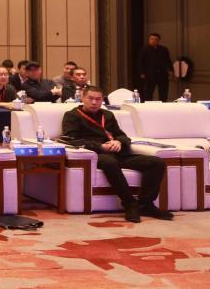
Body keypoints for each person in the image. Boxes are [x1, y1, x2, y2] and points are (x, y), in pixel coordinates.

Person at [60, 85, 173, 223]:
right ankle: (129, 204)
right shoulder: (72, 116)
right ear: (82, 98)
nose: (94, 102)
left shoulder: (107, 115)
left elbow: (121, 135)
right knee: (110, 162)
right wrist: (100, 146)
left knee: (156, 162)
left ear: (102, 100)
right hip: (96, 154)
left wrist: (119, 142)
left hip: (118, 153)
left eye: (98, 99)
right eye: (90, 98)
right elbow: (71, 139)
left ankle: (146, 204)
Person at [137, 33, 173, 102]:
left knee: (163, 93)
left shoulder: (164, 49)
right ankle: (148, 105)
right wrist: (141, 73)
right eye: (151, 39)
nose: (153, 41)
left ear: (158, 40)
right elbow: (140, 62)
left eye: (155, 39)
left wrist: (171, 70)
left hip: (162, 74)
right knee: (148, 92)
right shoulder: (144, 50)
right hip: (149, 74)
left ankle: (163, 105)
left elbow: (168, 60)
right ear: (149, 40)